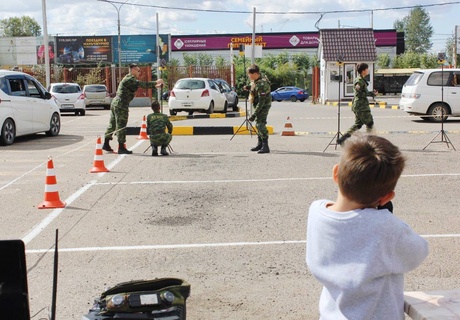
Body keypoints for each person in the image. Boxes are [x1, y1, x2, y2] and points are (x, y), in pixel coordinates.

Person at [306, 134, 428, 320]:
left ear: (336, 173)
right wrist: (386, 216)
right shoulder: (384, 226)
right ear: (387, 197)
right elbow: (418, 252)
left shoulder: (317, 211)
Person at [103, 63, 164, 154]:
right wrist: (156, 82)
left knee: (113, 124)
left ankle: (106, 143)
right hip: (121, 104)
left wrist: (155, 86)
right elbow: (141, 84)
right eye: (138, 71)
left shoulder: (130, 79)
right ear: (133, 70)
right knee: (121, 126)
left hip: (117, 103)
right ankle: (121, 147)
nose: (139, 72)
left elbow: (140, 85)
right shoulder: (129, 79)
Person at [337, 63, 378, 145]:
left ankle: (342, 139)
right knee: (369, 123)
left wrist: (371, 93)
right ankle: (370, 142)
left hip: (359, 105)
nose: (368, 70)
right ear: (363, 71)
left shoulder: (361, 79)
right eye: (367, 69)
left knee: (358, 125)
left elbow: (363, 92)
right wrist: (371, 94)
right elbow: (359, 92)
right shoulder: (359, 81)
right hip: (361, 106)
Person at [245, 64, 272, 154]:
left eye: (250, 74)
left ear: (255, 73)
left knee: (261, 124)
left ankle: (265, 146)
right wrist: (249, 88)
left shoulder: (261, 84)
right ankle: (260, 144)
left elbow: (261, 102)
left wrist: (254, 114)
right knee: (258, 124)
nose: (249, 76)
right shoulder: (257, 81)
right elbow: (255, 88)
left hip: (263, 106)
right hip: (259, 105)